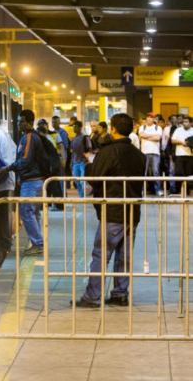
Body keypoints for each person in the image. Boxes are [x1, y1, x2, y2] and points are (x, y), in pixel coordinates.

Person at [73, 113, 146, 308]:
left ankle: (92, 296)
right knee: (124, 255)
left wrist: (89, 165)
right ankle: (120, 293)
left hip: (113, 211)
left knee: (101, 254)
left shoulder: (109, 152)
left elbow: (95, 177)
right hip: (133, 211)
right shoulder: (139, 154)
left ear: (113, 129)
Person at [0, 110, 45, 256]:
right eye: (18, 121)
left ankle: (38, 243)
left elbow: (25, 160)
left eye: (21, 121)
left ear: (30, 123)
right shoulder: (29, 137)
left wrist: (8, 168)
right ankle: (38, 242)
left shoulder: (30, 137)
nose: (18, 124)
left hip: (31, 181)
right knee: (34, 212)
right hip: (35, 181)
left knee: (26, 211)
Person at [0, 122, 17, 252]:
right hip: (8, 180)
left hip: (3, 180)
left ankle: (4, 244)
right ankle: (5, 243)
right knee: (4, 215)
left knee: (1, 216)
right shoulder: (5, 134)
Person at [37, 121, 64, 210]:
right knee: (49, 185)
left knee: (54, 185)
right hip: (52, 166)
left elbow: (58, 149)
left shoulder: (49, 138)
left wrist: (62, 160)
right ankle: (48, 204)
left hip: (53, 166)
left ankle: (58, 205)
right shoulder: (46, 139)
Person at [139, 112, 163, 196]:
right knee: (143, 172)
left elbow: (158, 138)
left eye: (151, 117)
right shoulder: (142, 127)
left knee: (156, 172)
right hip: (144, 152)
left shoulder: (158, 127)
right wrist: (152, 136)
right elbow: (141, 135)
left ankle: (158, 190)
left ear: (154, 119)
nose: (149, 118)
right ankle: (141, 190)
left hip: (155, 152)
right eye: (147, 117)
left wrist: (147, 136)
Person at [70, 121, 94, 198]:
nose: (74, 129)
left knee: (82, 180)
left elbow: (90, 149)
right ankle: (81, 195)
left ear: (80, 127)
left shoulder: (85, 137)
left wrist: (87, 160)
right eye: (73, 127)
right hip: (75, 161)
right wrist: (71, 161)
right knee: (76, 180)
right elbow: (72, 151)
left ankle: (83, 195)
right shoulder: (73, 139)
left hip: (83, 162)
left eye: (76, 127)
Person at [171, 116, 193, 194]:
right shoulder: (178, 130)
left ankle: (186, 191)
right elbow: (173, 140)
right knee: (179, 173)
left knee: (188, 174)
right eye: (183, 121)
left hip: (190, 155)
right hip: (179, 154)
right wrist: (182, 143)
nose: (184, 123)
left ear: (191, 123)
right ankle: (178, 190)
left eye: (186, 122)